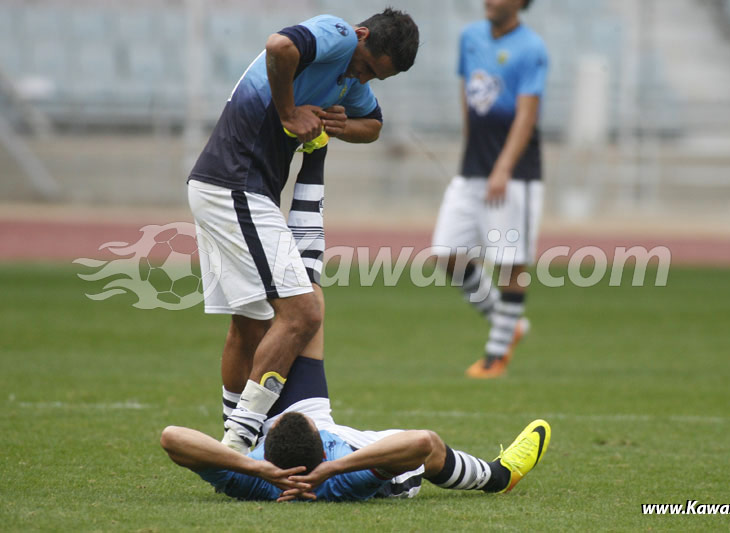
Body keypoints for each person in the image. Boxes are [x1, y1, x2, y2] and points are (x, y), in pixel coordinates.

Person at [186, 9, 419, 452]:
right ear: (362, 36)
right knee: (305, 312)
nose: (364, 77)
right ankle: (239, 442)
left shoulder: (351, 81)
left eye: (376, 77)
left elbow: (374, 126)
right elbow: (279, 46)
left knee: (251, 324)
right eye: (367, 66)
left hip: (231, 187)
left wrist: (340, 125)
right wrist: (289, 111)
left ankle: (232, 436)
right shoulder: (336, 34)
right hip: (236, 183)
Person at [161, 355, 551, 502]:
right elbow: (422, 443)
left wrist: (253, 467)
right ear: (320, 437)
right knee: (429, 456)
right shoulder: (344, 480)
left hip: (299, 458)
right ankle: (500, 476)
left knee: (303, 316)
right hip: (364, 458)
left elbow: (171, 437)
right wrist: (333, 468)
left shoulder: (254, 478)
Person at [431, 0, 549, 379]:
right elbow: (469, 96)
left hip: (514, 176)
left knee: (510, 260)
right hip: (472, 170)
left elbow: (527, 114)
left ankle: (496, 355)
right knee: (447, 253)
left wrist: (502, 167)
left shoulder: (532, 48)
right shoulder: (470, 37)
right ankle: (508, 323)